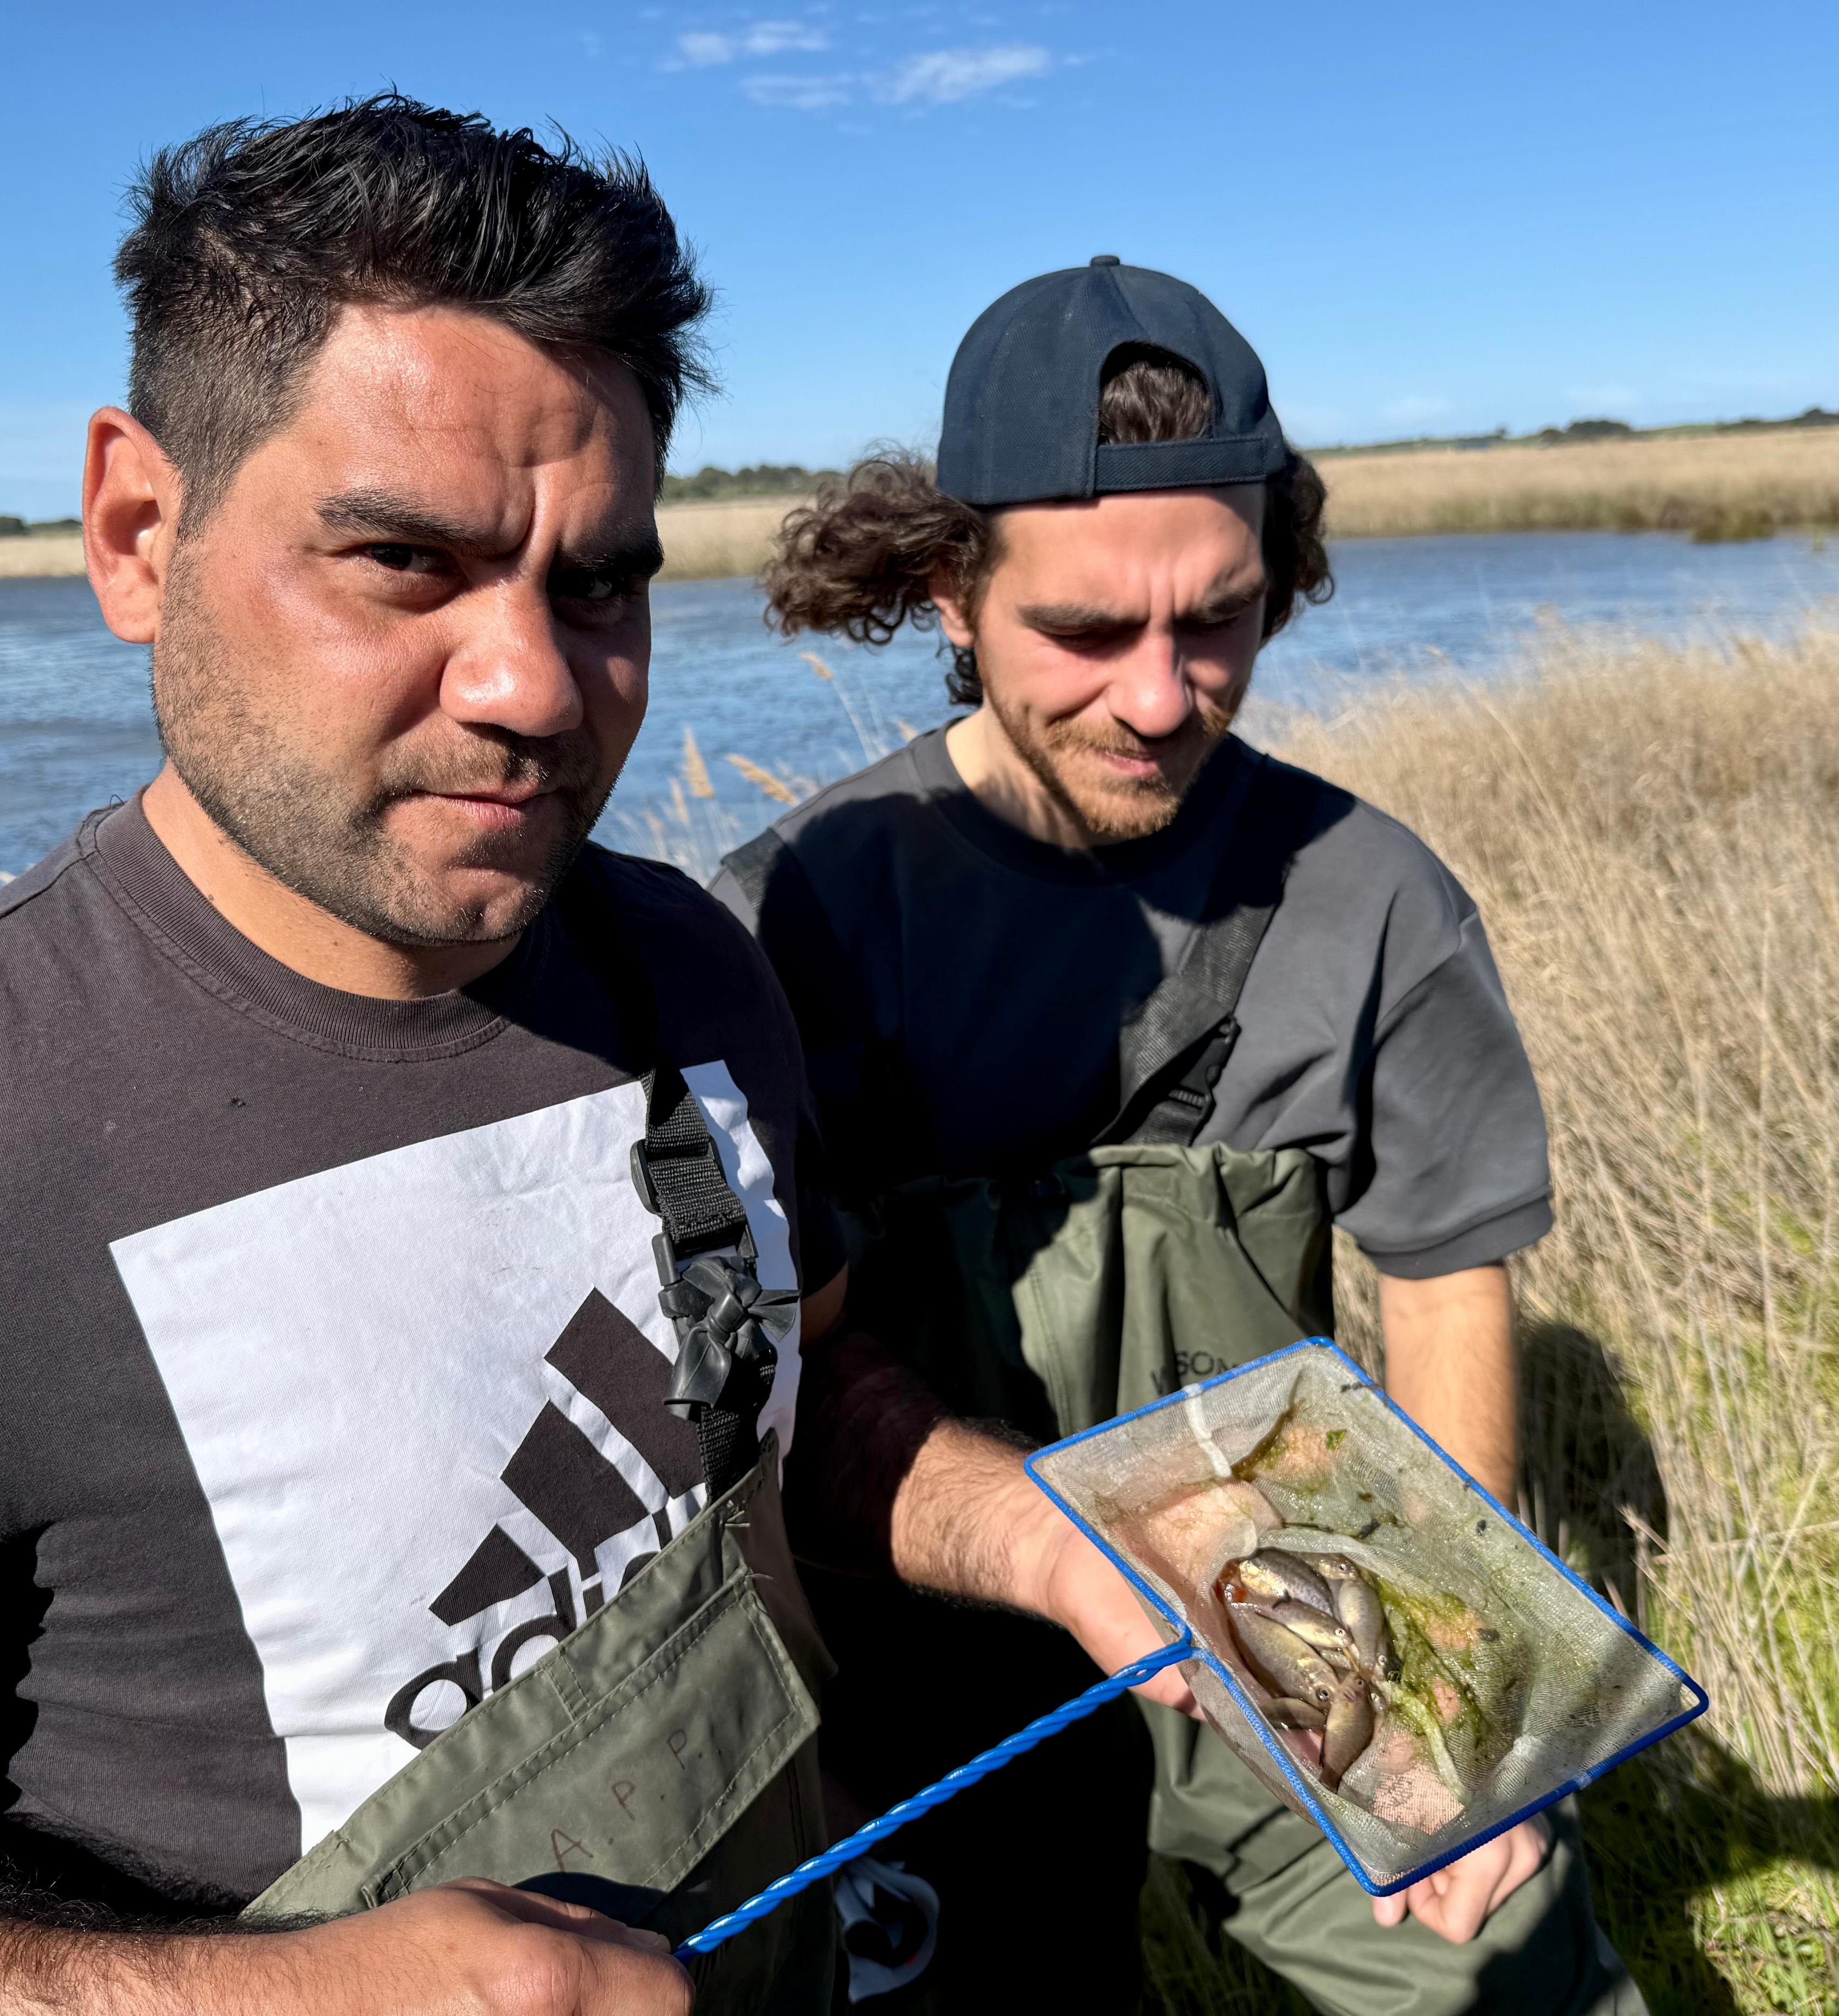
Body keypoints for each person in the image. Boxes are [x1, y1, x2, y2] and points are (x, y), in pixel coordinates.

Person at [0, 103, 1178, 2016]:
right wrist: (286, 2000)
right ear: (140, 532)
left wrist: (1047, 1533)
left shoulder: (690, 972)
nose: (535, 687)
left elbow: (794, 1399)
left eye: (600, 581)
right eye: (405, 561)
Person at [720, 260, 1645, 2012]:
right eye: (1086, 633)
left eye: (1217, 620)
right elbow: (783, 1380)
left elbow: (1445, 1285)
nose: (1162, 697)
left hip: (1301, 1621)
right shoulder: (795, 920)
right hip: (931, 1675)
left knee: (1507, 1980)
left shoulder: (1373, 902)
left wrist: (1454, 1695)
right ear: (948, 591)